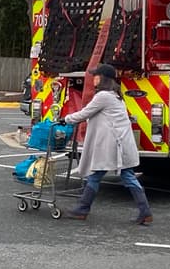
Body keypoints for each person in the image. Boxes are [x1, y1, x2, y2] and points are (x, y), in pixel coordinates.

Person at [61, 63, 153, 225]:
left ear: (103, 78)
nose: (93, 78)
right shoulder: (115, 95)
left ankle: (82, 209)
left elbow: (85, 113)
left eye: (96, 75)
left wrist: (65, 119)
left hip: (114, 146)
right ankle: (144, 212)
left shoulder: (103, 96)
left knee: (98, 175)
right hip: (120, 144)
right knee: (123, 176)